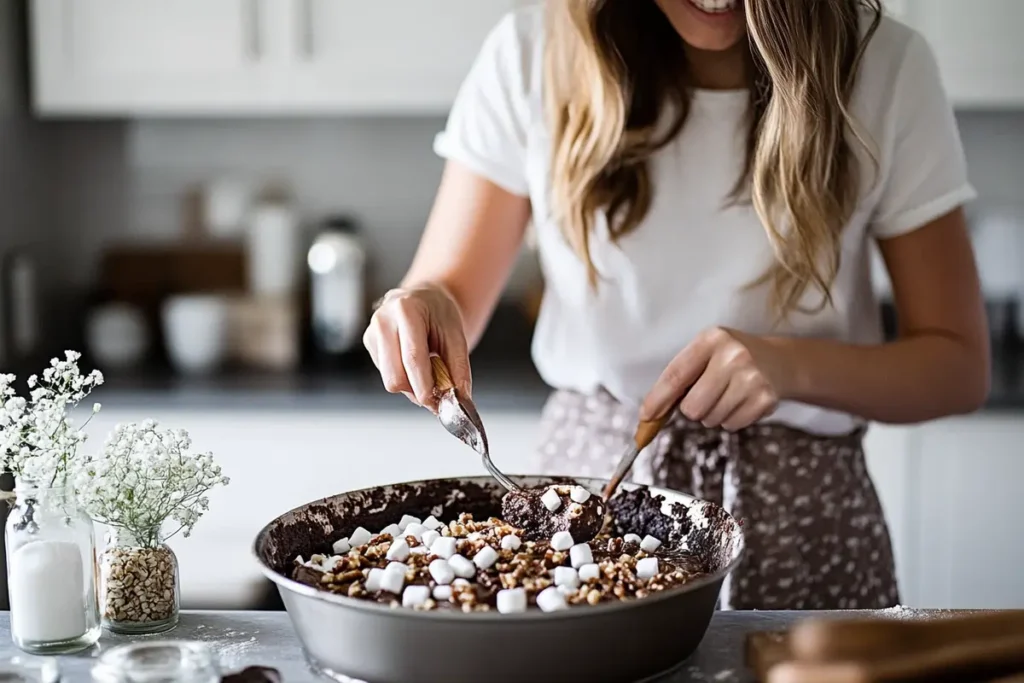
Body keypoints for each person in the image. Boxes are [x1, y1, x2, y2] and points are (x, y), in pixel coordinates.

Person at [362, 0, 989, 610]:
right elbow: (448, 296)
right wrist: (421, 307)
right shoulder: (532, 54)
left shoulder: (886, 65)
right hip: (584, 510)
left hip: (809, 518)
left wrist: (790, 367)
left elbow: (957, 368)